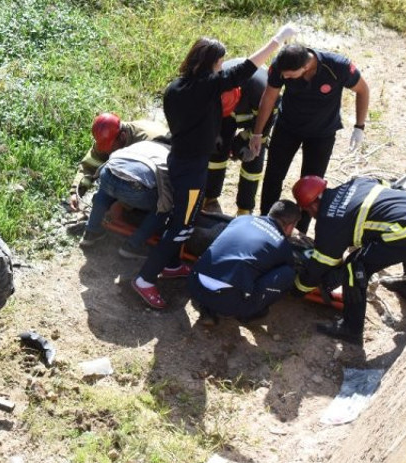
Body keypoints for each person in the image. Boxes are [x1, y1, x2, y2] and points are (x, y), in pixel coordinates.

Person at [132, 24, 297, 310]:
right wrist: (277, 40)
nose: (222, 68)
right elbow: (246, 68)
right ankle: (145, 279)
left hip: (179, 158)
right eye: (220, 63)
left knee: (180, 215)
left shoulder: (175, 87)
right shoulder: (206, 88)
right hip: (192, 168)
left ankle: (171, 265)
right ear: (209, 63)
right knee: (182, 226)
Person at [291, 175, 406, 344]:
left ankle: (351, 329)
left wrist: (299, 288)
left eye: (307, 211)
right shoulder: (357, 182)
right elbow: (392, 186)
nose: (310, 215)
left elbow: (322, 263)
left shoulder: (329, 222)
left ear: (312, 205)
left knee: (354, 266)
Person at [248, 43, 370, 233]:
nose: (285, 78)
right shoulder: (281, 65)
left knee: (311, 188)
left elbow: (363, 90)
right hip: (287, 127)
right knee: (273, 176)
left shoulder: (338, 66)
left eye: (290, 75)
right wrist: (257, 133)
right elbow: (269, 97)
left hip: (322, 134)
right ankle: (267, 221)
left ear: (306, 66)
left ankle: (300, 230)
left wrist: (359, 127)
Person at [187, 200, 303, 326]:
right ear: (290, 226)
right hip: (226, 301)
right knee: (287, 273)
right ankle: (249, 313)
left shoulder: (242, 219)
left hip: (194, 284)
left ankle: (207, 308)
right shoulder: (282, 245)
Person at [69, 114, 168, 243]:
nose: (108, 152)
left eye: (111, 149)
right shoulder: (108, 137)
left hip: (152, 174)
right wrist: (76, 192)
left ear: (123, 136)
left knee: (164, 203)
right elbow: (90, 165)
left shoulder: (150, 140)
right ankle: (96, 232)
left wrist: (122, 204)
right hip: (130, 177)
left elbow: (163, 179)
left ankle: (135, 243)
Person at [79, 138, 173, 257]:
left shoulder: (144, 143)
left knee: (105, 191)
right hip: (135, 187)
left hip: (108, 172)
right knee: (163, 208)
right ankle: (132, 246)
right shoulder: (170, 155)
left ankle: (91, 231)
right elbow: (167, 191)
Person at [204, 60, 274, 216]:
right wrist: (214, 134)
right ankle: (210, 197)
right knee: (216, 152)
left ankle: (245, 207)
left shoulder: (262, 91)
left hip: (256, 119)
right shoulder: (210, 85)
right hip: (223, 117)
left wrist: (245, 139)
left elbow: (265, 125)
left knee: (253, 158)